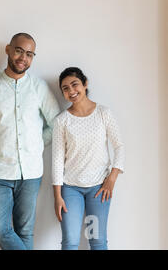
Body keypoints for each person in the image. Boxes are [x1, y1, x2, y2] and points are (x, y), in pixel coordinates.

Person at [0, 33, 60, 250]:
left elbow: (56, 124)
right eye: (19, 50)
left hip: (31, 173)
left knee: (25, 231)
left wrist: (37, 144)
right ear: (8, 50)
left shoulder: (39, 87)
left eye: (29, 54)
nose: (23, 57)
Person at [52, 67, 124, 250]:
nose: (71, 91)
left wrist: (111, 179)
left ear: (85, 84)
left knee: (98, 241)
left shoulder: (103, 113)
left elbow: (119, 146)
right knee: (70, 242)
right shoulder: (62, 121)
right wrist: (58, 196)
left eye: (74, 84)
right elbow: (57, 160)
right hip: (70, 189)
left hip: (99, 189)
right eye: (65, 88)